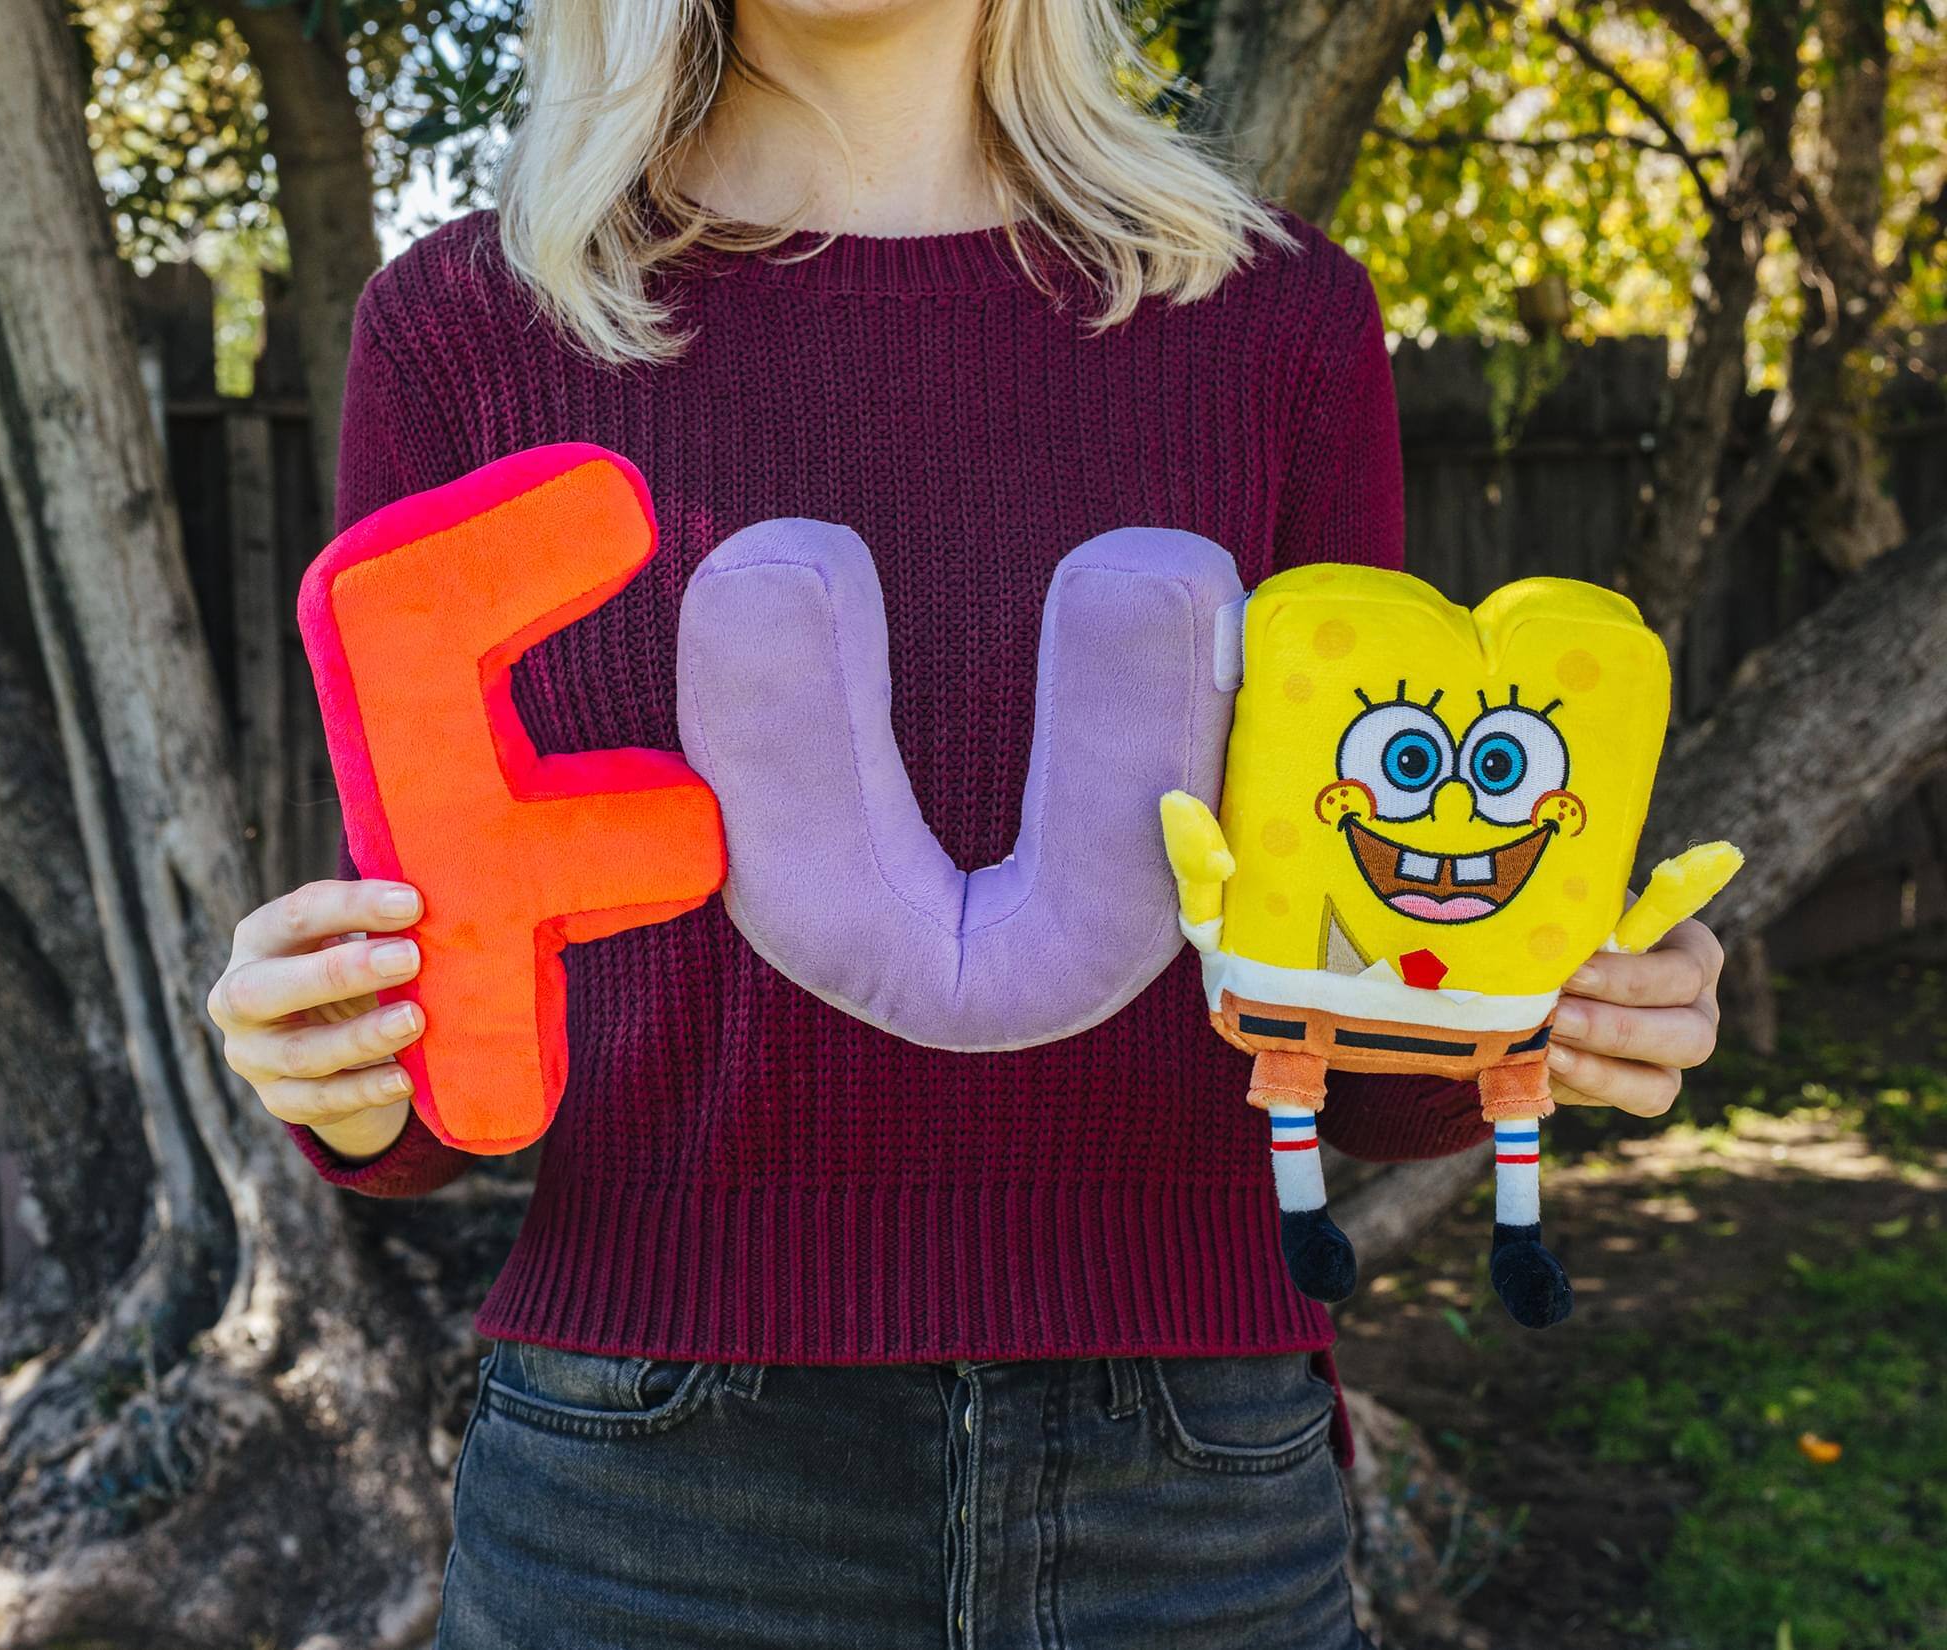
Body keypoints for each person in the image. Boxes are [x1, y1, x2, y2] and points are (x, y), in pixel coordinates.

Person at [206, 0, 1726, 1643]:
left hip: (1187, 1482)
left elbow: (1351, 1026)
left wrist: (1538, 1005)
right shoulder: (469, 333)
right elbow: (442, 1092)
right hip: (648, 1499)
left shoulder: (1270, 321)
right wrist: (340, 1061)